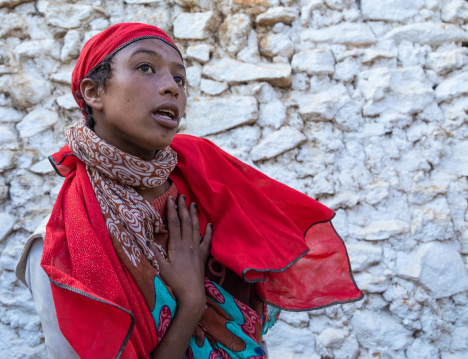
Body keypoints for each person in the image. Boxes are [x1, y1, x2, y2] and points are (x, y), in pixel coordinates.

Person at [15, 23, 363, 359]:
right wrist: (192, 303)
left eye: (179, 77)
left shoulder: (212, 193)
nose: (171, 87)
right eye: (146, 67)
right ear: (94, 92)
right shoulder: (61, 251)